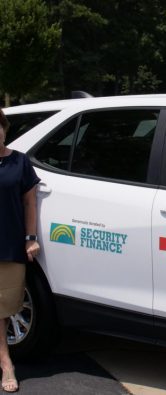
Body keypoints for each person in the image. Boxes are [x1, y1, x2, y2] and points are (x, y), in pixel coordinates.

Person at [0, 108, 41, 393]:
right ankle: (6, 364)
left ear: (4, 129)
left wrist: (30, 237)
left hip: (9, 246)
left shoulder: (20, 162)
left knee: (3, 310)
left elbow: (29, 203)